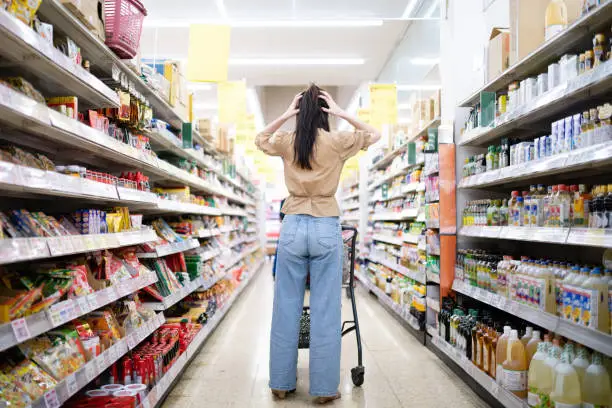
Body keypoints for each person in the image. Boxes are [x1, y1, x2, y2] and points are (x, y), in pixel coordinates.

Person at [255, 84, 380, 404]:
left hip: (293, 225)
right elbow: (374, 133)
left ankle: (280, 383)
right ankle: (324, 390)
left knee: (286, 307)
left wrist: (285, 114)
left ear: (300, 111)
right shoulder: (337, 141)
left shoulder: (287, 141)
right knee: (325, 309)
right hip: (326, 225)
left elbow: (260, 140)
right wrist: (339, 111)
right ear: (324, 112)